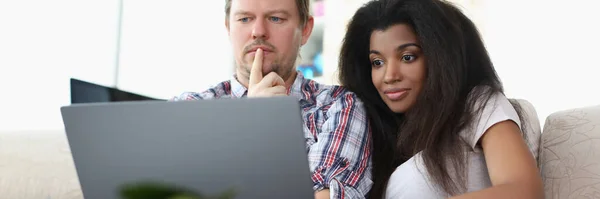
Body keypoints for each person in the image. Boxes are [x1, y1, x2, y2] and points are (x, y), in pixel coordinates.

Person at [337, 0, 543, 198]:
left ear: (440, 59)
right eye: (378, 62)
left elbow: (524, 191)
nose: (389, 76)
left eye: (408, 57)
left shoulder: (476, 105)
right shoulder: (378, 137)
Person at [171, 0, 373, 198]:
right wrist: (251, 122)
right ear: (228, 28)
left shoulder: (339, 106)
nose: (258, 31)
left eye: (276, 18)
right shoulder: (186, 108)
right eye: (244, 19)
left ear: (305, 30)